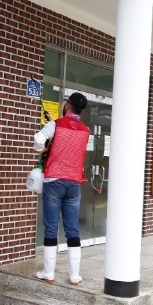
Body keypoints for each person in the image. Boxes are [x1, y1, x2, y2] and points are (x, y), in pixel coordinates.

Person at [33, 92, 90, 286]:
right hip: (74, 183)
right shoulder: (86, 130)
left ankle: (49, 273)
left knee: (51, 227)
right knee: (72, 228)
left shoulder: (55, 125)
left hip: (54, 181)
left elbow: (38, 139)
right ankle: (74, 276)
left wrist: (42, 148)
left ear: (67, 105)